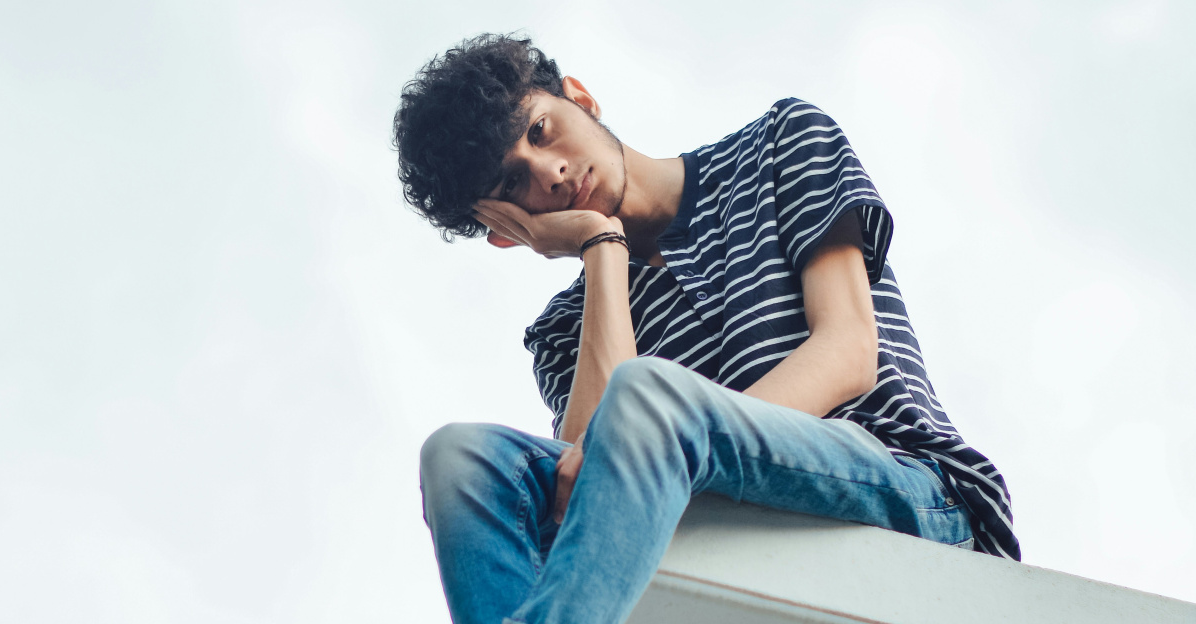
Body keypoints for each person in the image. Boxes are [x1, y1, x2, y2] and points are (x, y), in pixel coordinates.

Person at [393, 33, 1019, 624]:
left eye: (542, 132)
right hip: (720, 527)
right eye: (512, 183)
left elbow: (850, 350)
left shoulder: (780, 144)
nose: (549, 173)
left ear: (580, 98)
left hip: (907, 486)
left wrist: (676, 427)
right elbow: (583, 482)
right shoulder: (562, 332)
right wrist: (602, 246)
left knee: (645, 395)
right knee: (460, 456)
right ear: (506, 230)